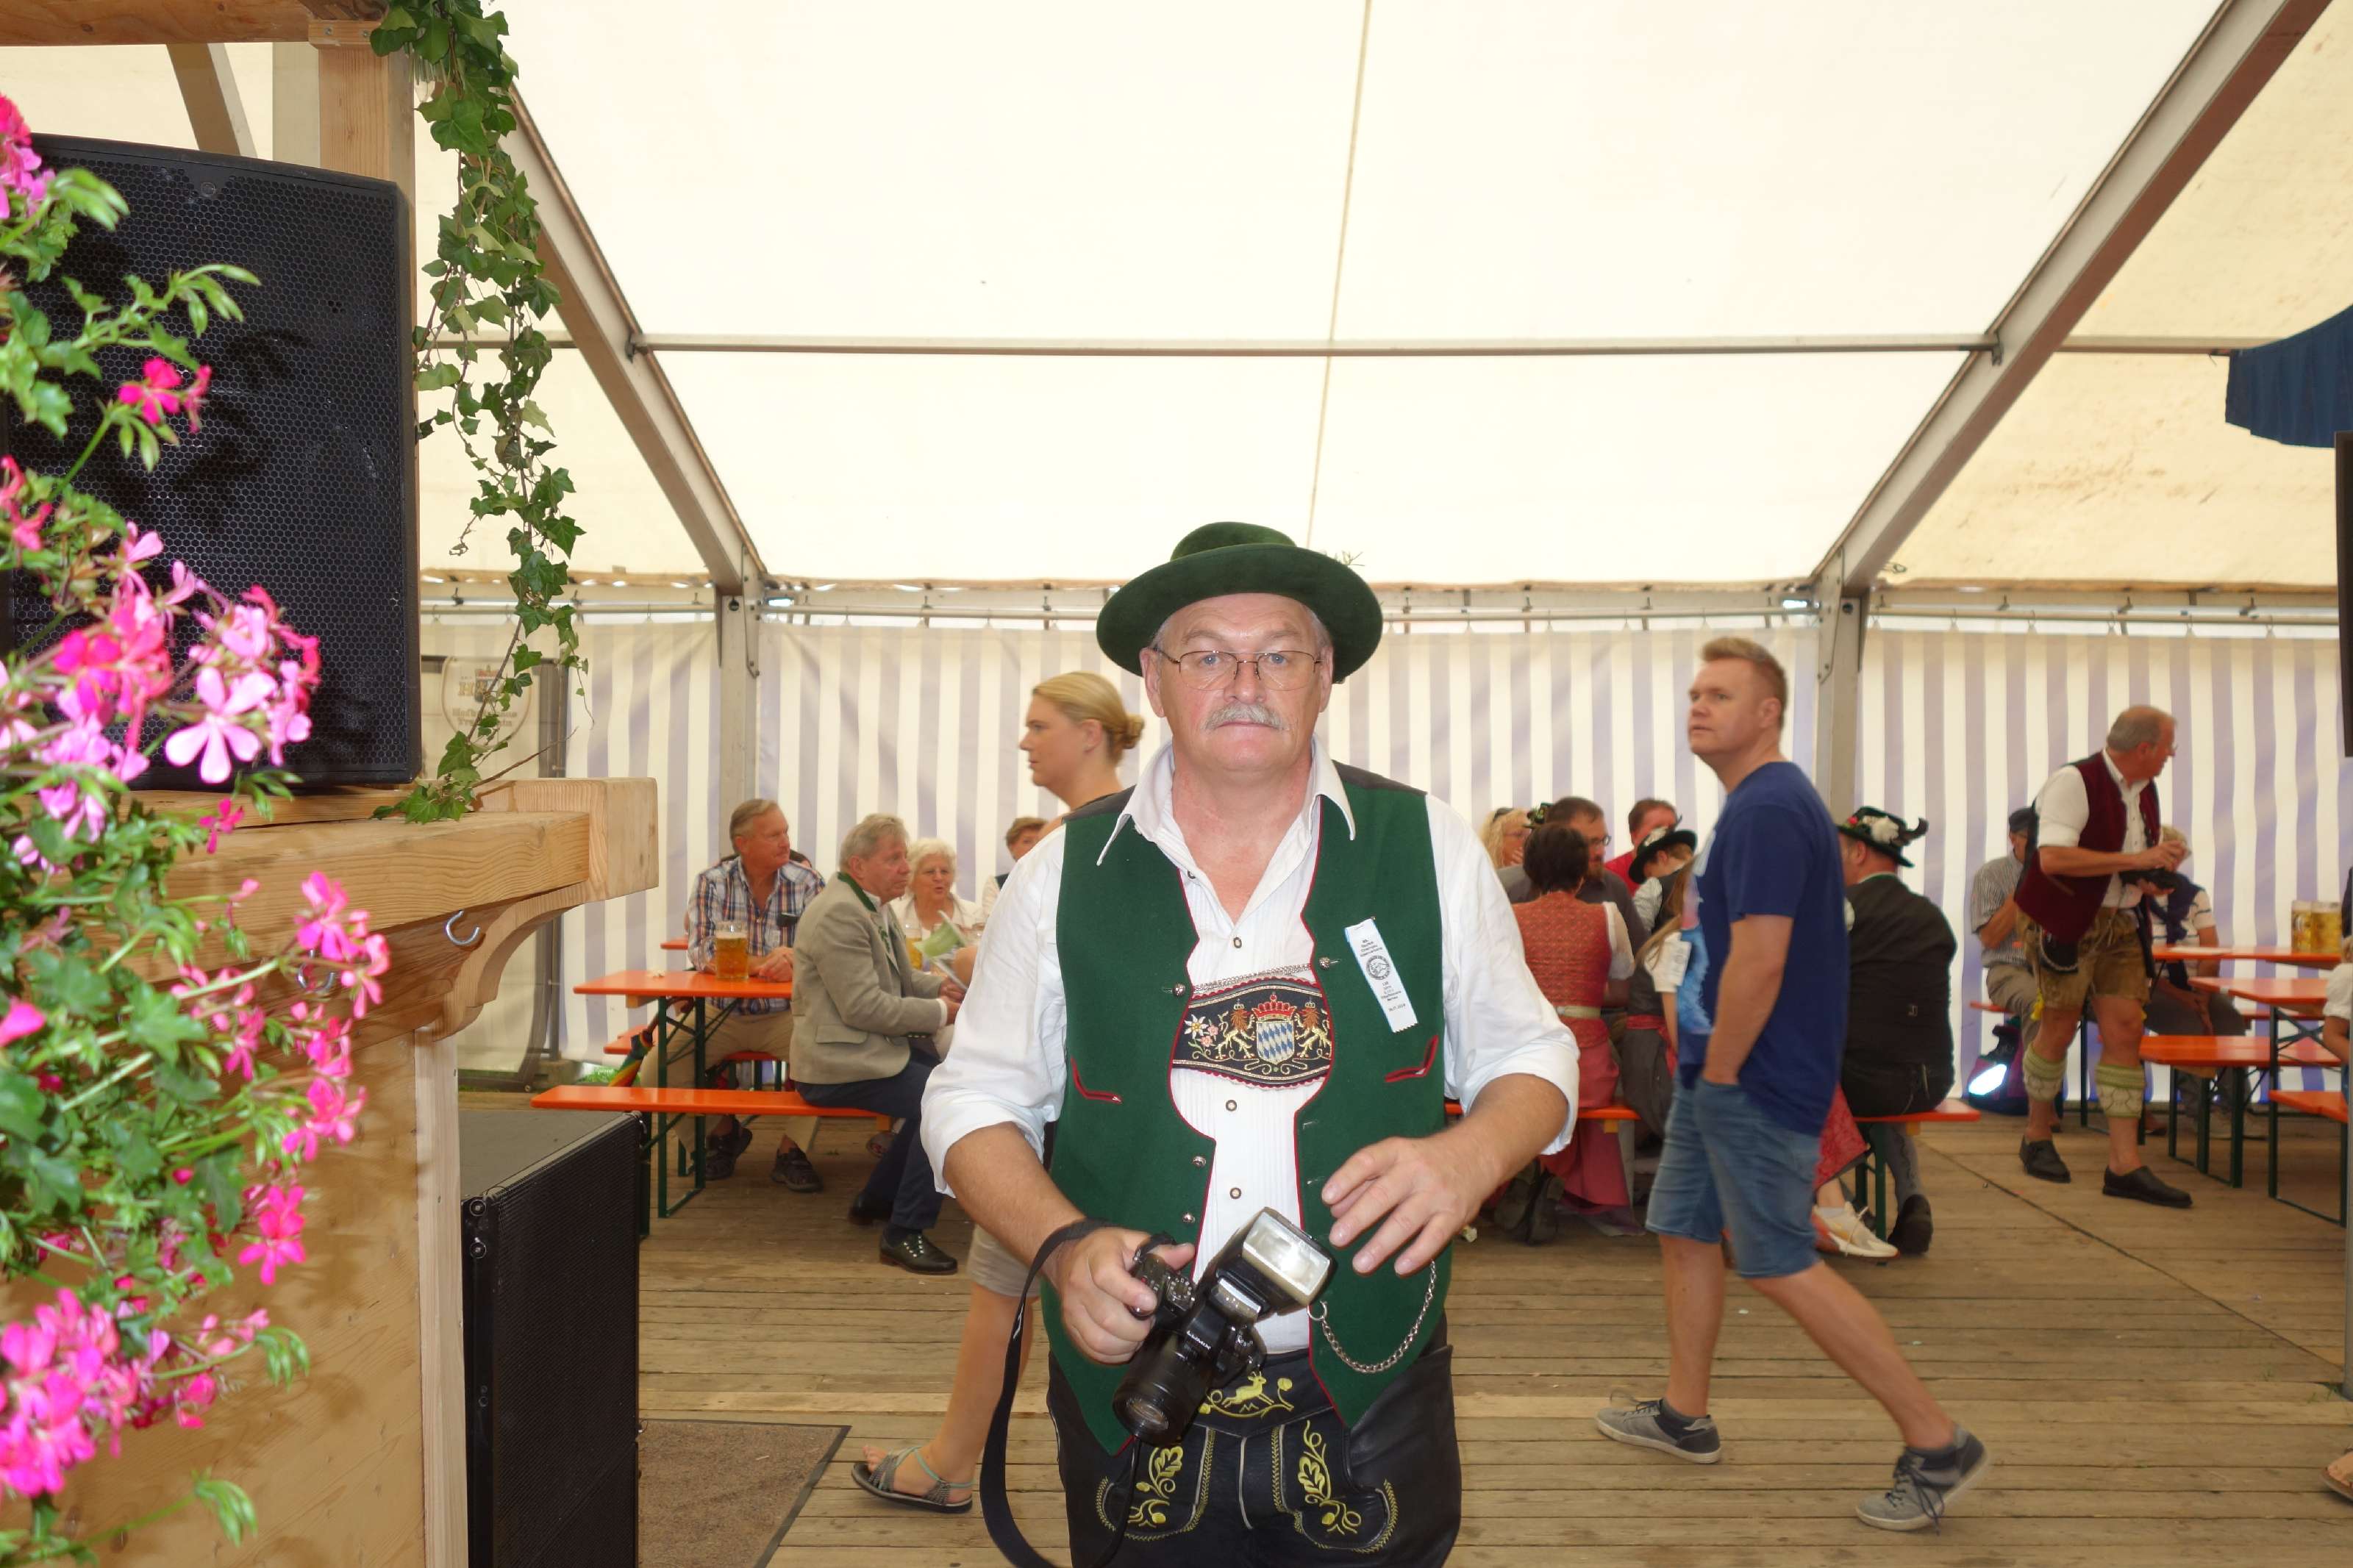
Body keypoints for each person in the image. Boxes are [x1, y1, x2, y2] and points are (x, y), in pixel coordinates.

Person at [922, 521, 1577, 1564]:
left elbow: (1533, 1058)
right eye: (1207, 655)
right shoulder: (1059, 872)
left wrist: (1471, 1156)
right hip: (1135, 1391)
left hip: (1370, 1390)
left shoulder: (1427, 845)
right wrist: (1061, 1246)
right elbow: (972, 1100)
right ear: (1153, 679)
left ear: (1324, 677)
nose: (1244, 682)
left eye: (1278, 654)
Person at [1597, 637, 1988, 1532]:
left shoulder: (1770, 808)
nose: (1698, 707)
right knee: (1682, 1229)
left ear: (1768, 712)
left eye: (1720, 695)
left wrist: (1722, 1070)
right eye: (1694, 694)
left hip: (1751, 1075)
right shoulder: (1754, 805)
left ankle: (1935, 1442)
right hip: (1723, 1071)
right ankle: (1683, 1415)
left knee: (1775, 1257)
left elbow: (1762, 959)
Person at [856, 675, 1143, 1514]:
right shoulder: (1139, 832)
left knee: (999, 1294)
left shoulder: (1069, 844)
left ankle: (950, 1465)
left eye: (1039, 726)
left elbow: (1001, 972)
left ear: (1090, 733)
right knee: (1024, 1292)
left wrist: (968, 959)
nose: (1025, 741)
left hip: (1043, 1110)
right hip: (1095, 1103)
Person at [2013, 707, 2193, 1206]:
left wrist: (2150, 875)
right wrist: (2137, 859)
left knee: (2126, 1030)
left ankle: (2124, 1164)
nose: (2171, 755)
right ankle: (2037, 1134)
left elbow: (2118, 863)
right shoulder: (2074, 782)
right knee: (2059, 1025)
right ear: (2144, 748)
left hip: (2121, 921)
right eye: (2168, 746)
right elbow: (2053, 858)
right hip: (2065, 919)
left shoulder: (2144, 790)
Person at [790, 813, 965, 1274]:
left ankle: (877, 1199)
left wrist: (942, 988)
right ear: (859, 864)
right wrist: (942, 1012)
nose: (905, 868)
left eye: (904, 858)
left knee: (939, 1092)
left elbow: (901, 980)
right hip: (835, 1065)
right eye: (894, 859)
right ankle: (904, 1232)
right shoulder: (840, 913)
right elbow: (863, 1008)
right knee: (942, 1102)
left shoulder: (868, 904)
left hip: (862, 1053)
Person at [684, 799, 826, 1189]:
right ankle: (722, 1134)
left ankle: (792, 1152)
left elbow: (829, 948)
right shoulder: (712, 882)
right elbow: (703, 953)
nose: (785, 841)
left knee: (827, 1058)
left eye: (785, 832)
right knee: (656, 1072)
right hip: (720, 1013)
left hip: (787, 1013)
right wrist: (766, 964)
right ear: (742, 844)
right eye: (773, 835)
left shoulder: (808, 882)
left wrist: (796, 959)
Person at [1835, 807, 1956, 1256]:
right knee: (1885, 1070)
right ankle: (1912, 1198)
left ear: (1860, 852)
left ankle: (1846, 1209)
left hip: (1864, 1079)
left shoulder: (1844, 910)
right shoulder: (1931, 915)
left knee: (1785, 1083)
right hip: (1932, 1080)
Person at [1513, 819, 1635, 1228]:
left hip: (1527, 1061)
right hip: (1588, 1067)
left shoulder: (1511, 918)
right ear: (1582, 873)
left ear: (1531, 871)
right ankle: (1586, 1190)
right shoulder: (1607, 917)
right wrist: (1581, 996)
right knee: (1609, 1087)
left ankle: (1531, 1176)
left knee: (1515, 1090)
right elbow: (1622, 987)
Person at [2143, 827, 2248, 1039]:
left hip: (2197, 986)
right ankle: (2188, 1067)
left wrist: (2202, 998)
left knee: (2230, 1022)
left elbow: (2210, 953)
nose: (2172, 865)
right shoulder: (2135, 897)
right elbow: (2137, 965)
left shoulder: (2195, 896)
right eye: (2169, 857)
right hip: (2151, 988)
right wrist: (2182, 997)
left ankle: (2232, 1065)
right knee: (2188, 1024)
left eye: (2178, 859)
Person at [892, 837, 986, 964]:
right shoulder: (894, 916)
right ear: (911, 878)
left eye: (945, 872)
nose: (939, 878)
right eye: (930, 872)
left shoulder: (975, 916)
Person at [976, 816, 1049, 928]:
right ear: (1011, 848)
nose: (1035, 846)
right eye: (1027, 841)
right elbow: (993, 923)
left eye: (1040, 841)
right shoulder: (996, 884)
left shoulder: (1057, 880)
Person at [1629, 821, 1699, 931]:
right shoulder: (1713, 876)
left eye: (1650, 874)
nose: (1649, 880)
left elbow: (1637, 935)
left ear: (1662, 857)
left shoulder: (1654, 885)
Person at [1604, 798, 1680, 891]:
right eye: (1658, 828)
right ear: (1635, 835)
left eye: (1672, 828)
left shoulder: (1683, 872)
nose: (1668, 834)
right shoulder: (1608, 876)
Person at [1480, 804, 1531, 871]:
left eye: (1528, 836)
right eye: (1518, 835)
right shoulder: (1481, 870)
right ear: (1496, 840)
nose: (1527, 841)